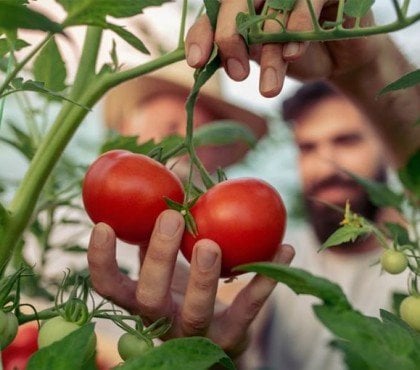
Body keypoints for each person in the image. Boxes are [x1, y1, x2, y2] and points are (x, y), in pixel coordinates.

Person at [86, 1, 420, 369]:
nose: (326, 162)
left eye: (346, 141)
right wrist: (218, 352)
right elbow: (238, 318)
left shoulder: (412, 253)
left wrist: (368, 69)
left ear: (384, 144)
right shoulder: (282, 257)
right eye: (308, 147)